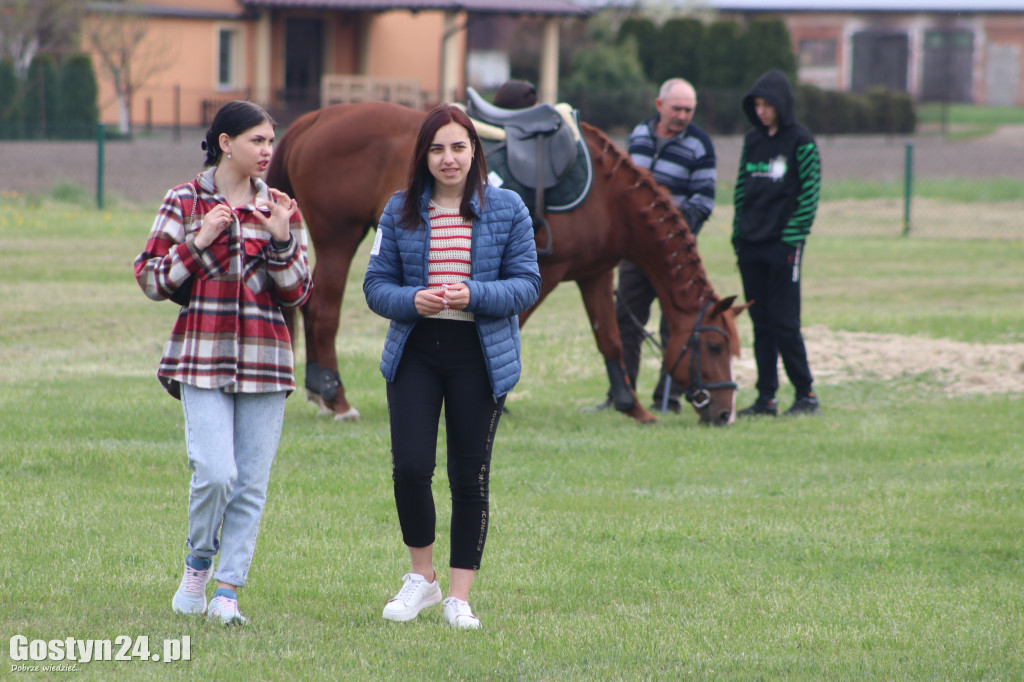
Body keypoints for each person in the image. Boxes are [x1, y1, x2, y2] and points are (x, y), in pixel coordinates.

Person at [133, 100, 313, 625]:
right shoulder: (183, 200)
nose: (267, 151)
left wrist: (282, 240)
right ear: (226, 143)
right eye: (257, 140)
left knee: (251, 483)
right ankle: (198, 564)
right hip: (201, 356)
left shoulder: (281, 206)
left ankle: (228, 592)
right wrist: (198, 241)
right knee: (215, 472)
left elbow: (299, 292)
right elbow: (151, 279)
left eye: (270, 141)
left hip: (266, 359)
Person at [363, 105, 541, 629]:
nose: (448, 158)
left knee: (470, 477)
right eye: (437, 148)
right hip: (416, 351)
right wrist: (412, 300)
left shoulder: (508, 208)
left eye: (458, 147)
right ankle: (423, 579)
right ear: (424, 156)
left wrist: (474, 293)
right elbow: (376, 286)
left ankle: (459, 595)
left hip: (480, 356)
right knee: (412, 468)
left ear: (474, 152)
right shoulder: (398, 211)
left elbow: (527, 283)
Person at [591, 77, 716, 414]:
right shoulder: (640, 135)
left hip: (674, 256)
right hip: (636, 253)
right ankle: (622, 394)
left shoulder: (700, 145)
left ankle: (669, 399)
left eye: (689, 109)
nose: (683, 115)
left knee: (674, 326)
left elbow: (703, 202)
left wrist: (670, 234)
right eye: (677, 108)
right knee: (625, 320)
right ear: (660, 106)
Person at [732, 69, 822, 417]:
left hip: (783, 246)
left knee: (785, 322)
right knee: (761, 323)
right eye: (757, 105)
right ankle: (766, 398)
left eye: (767, 104)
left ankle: (806, 394)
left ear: (781, 104)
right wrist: (738, 235)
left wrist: (790, 240)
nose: (762, 111)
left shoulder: (801, 142)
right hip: (750, 245)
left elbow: (809, 194)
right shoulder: (752, 141)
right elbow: (741, 189)